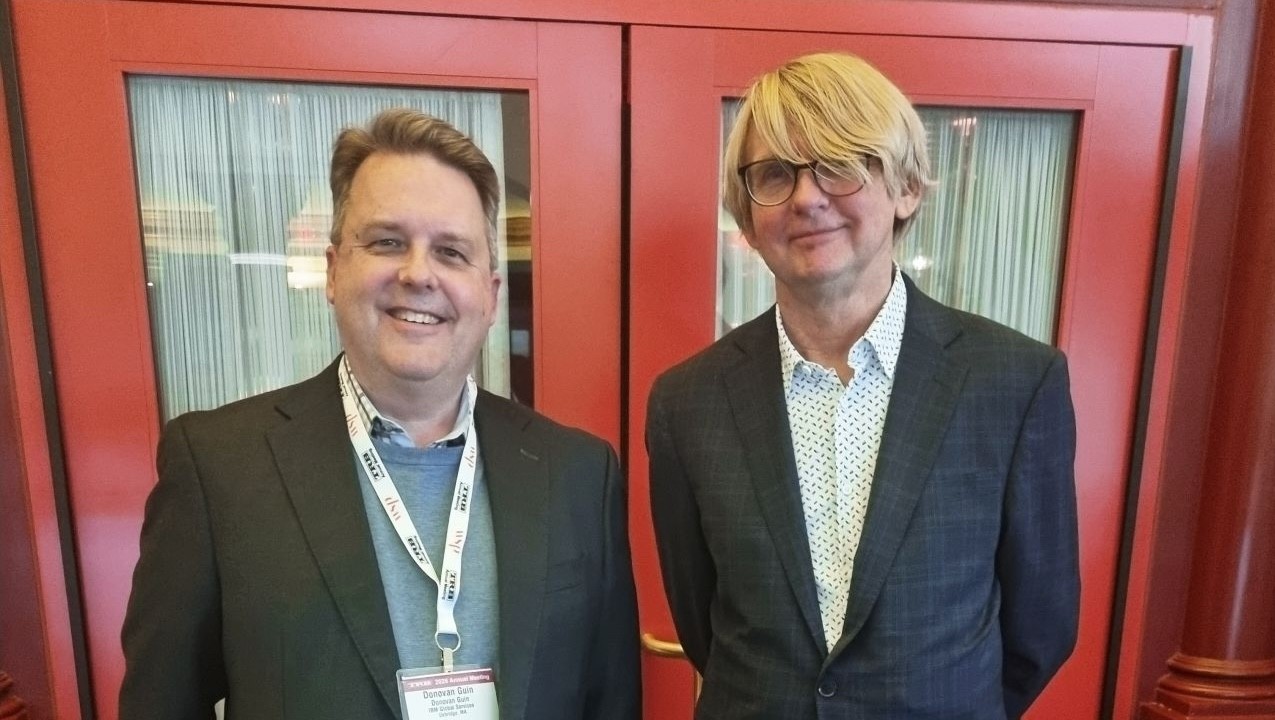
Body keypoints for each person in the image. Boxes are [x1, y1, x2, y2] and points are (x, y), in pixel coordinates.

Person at [120, 108, 640, 720]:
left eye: (451, 251)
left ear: (491, 295)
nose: (419, 274)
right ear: (334, 269)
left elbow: (611, 701)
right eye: (388, 242)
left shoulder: (578, 471)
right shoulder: (217, 468)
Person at [646, 52, 1078, 719]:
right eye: (773, 174)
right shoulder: (686, 403)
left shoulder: (1014, 382)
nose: (806, 197)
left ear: (904, 189)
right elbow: (703, 622)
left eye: (840, 164)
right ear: (746, 212)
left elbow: (1040, 627)